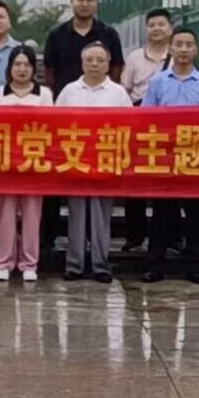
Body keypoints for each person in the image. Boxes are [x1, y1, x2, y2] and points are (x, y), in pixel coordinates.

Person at [43, 0, 123, 253]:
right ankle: (49, 238)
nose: (85, 3)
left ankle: (94, 242)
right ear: (72, 1)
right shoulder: (57, 35)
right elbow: (49, 72)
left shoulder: (109, 34)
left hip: (102, 128)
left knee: (96, 190)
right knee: (57, 183)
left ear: (97, 2)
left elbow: (116, 69)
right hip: (68, 118)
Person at [140, 27, 199, 284]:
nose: (184, 50)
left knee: (194, 214)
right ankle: (154, 265)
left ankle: (195, 266)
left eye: (189, 45)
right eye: (179, 44)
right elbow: (146, 116)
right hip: (164, 155)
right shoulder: (158, 81)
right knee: (161, 213)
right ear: (170, 49)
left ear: (196, 50)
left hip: (194, 155)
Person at [54, 42, 129, 283]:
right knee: (76, 212)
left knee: (101, 214)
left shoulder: (118, 93)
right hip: (75, 159)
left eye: (100, 60)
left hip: (105, 160)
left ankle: (100, 264)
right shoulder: (69, 91)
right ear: (82, 63)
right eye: (90, 60)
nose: (95, 64)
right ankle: (74, 264)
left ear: (108, 64)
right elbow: (54, 124)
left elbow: (130, 126)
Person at [0, 45, 51, 282]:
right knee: (5, 214)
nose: (22, 69)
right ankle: (4, 262)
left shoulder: (44, 94)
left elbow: (51, 127)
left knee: (32, 214)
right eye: (17, 64)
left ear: (34, 68)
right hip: (5, 162)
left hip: (34, 162)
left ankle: (29, 263)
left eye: (27, 64)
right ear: (10, 68)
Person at [119, 7, 174, 251]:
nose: (157, 29)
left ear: (170, 28)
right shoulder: (134, 58)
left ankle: (170, 236)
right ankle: (135, 236)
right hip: (139, 122)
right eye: (152, 25)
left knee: (169, 181)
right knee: (135, 180)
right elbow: (125, 89)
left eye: (162, 24)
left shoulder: (178, 54)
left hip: (169, 124)